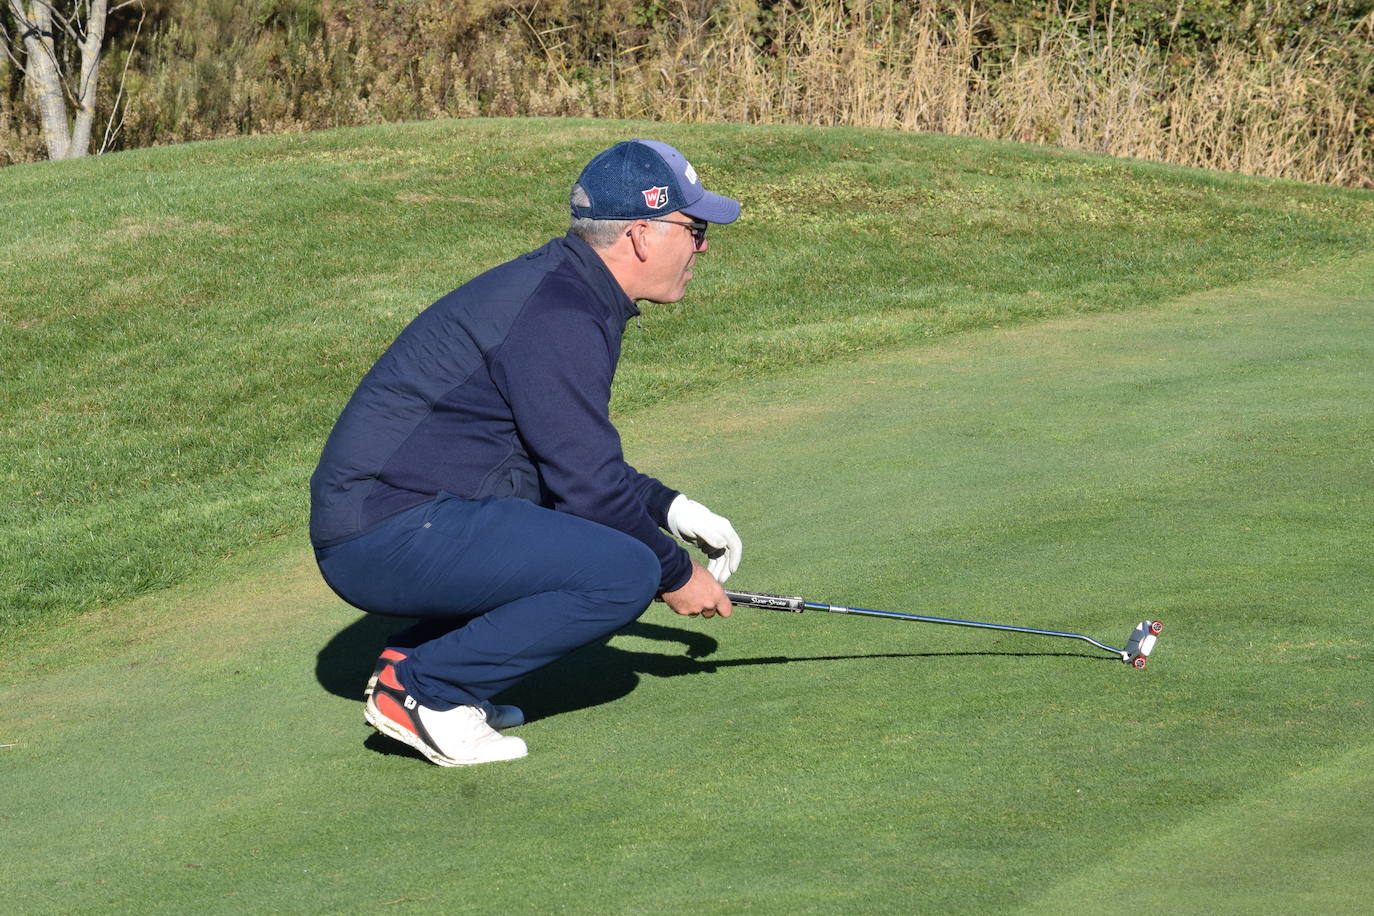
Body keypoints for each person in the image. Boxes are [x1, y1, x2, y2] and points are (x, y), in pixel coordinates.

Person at [309, 139, 743, 767]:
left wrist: (671, 507)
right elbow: (587, 486)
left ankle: (415, 661)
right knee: (623, 573)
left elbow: (567, 454)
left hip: (411, 513)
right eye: (693, 228)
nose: (702, 246)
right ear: (643, 235)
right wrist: (675, 573)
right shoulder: (561, 313)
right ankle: (427, 692)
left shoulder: (568, 290)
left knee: (585, 534)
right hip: (384, 531)